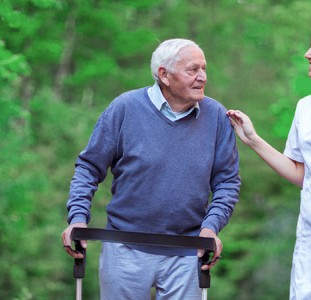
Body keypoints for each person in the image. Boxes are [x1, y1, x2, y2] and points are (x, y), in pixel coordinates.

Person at [62, 38, 241, 299]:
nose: (202, 77)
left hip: (188, 250)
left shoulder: (216, 116)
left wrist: (210, 228)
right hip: (124, 250)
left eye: (204, 69)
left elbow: (227, 182)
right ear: (164, 75)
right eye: (193, 70)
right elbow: (89, 168)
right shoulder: (124, 108)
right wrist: (78, 218)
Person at [227, 20, 311, 299]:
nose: (307, 54)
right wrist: (253, 139)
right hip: (310, 248)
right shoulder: (306, 108)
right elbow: (301, 174)